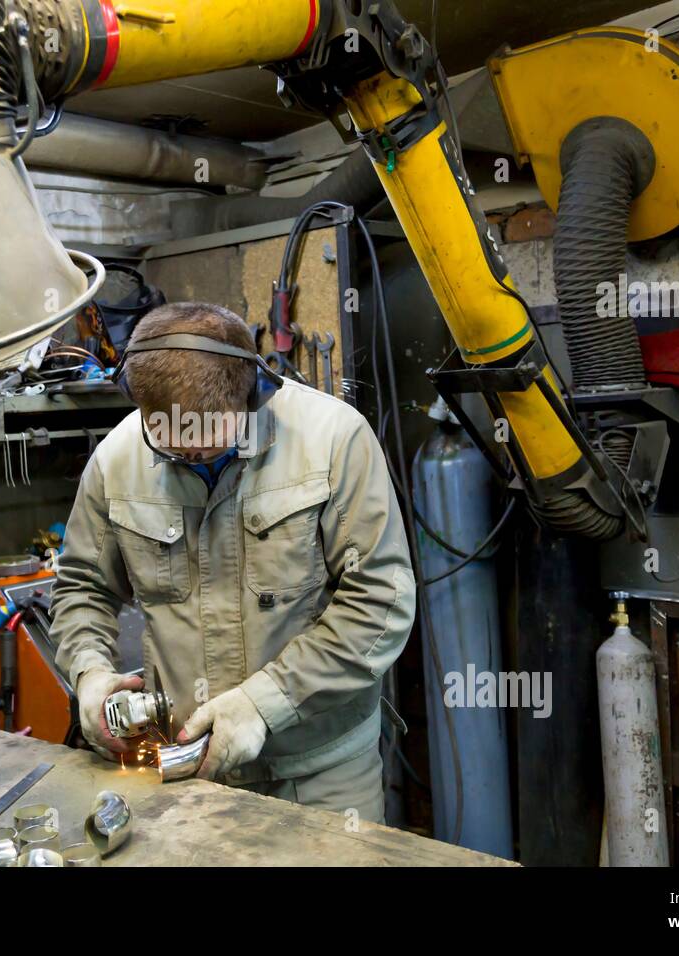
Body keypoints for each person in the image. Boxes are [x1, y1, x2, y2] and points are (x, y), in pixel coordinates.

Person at [51, 301, 415, 822]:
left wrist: (263, 703)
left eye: (205, 446)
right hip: (185, 766)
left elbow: (380, 601)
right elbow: (82, 587)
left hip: (317, 772)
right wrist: (89, 674)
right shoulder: (117, 458)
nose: (188, 458)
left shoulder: (334, 441)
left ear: (255, 394)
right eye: (171, 448)